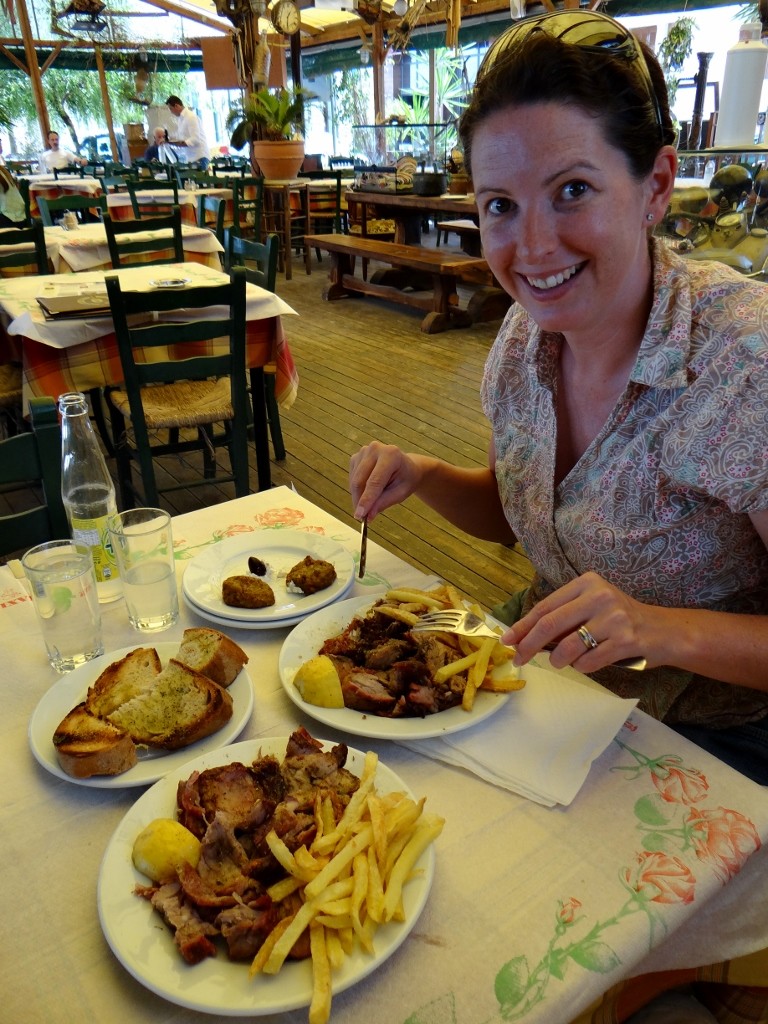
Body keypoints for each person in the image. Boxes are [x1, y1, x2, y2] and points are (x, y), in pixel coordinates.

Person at [349, 11, 768, 785]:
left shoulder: (743, 361)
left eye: (572, 190)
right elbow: (526, 515)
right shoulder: (520, 343)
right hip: (553, 686)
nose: (532, 248)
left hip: (722, 740)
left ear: (657, 186)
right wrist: (425, 473)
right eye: (500, 205)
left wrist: (655, 629)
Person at [165, 95, 210, 170]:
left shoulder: (191, 117)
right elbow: (181, 137)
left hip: (199, 157)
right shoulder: (180, 119)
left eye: (171, 109)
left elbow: (195, 139)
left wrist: (179, 143)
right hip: (191, 157)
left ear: (176, 106)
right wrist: (169, 140)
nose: (171, 112)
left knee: (198, 181)